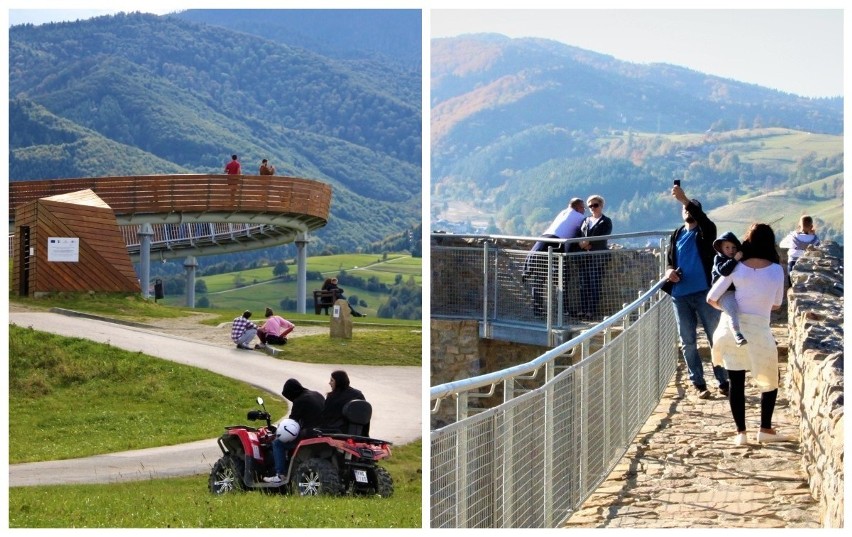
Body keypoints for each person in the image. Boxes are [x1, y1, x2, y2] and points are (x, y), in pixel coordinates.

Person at [707, 223, 786, 446]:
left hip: (732, 331)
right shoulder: (776, 270)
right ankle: (765, 429)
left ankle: (741, 433)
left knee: (736, 382)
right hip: (759, 330)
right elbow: (777, 304)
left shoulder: (737, 267)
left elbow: (712, 297)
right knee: (770, 379)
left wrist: (731, 308)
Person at [663, 184, 729, 399]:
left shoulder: (706, 233)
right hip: (680, 296)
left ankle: (723, 380)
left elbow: (707, 222)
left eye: (692, 209)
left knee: (715, 337)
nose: (688, 212)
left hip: (704, 293)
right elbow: (670, 262)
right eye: (686, 210)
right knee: (688, 341)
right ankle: (698, 383)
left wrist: (685, 200)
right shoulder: (677, 234)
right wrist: (670, 272)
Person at [522, 197, 586, 316]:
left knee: (539, 278)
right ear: (578, 207)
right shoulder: (579, 217)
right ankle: (563, 310)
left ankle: (538, 310)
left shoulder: (563, 212)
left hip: (542, 241)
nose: (584, 210)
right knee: (561, 278)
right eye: (583, 208)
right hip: (554, 243)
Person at [264, 378, 325, 484]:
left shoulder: (300, 400)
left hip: (309, 433)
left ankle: (280, 475)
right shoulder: (317, 394)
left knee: (278, 443)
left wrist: (277, 430)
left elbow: (291, 424)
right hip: (323, 431)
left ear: (292, 392)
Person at [576, 195, 613, 319]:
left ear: (601, 205)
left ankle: (591, 310)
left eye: (595, 205)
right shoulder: (585, 221)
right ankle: (583, 309)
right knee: (583, 284)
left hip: (598, 257)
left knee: (594, 283)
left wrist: (587, 244)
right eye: (590, 206)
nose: (592, 208)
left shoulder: (606, 221)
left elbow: (603, 236)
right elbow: (579, 235)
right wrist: (582, 245)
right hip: (584, 257)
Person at [712, 231, 747, 346]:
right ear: (721, 248)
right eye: (727, 247)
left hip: (737, 290)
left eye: (733, 247)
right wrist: (734, 260)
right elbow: (724, 271)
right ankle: (737, 334)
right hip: (724, 292)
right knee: (732, 309)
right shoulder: (718, 259)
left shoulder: (739, 260)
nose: (731, 250)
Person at [780, 215, 820, 285]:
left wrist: (794, 246)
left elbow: (781, 244)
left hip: (793, 262)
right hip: (808, 263)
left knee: (792, 285)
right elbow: (818, 249)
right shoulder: (815, 239)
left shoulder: (792, 236)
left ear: (799, 225)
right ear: (811, 226)